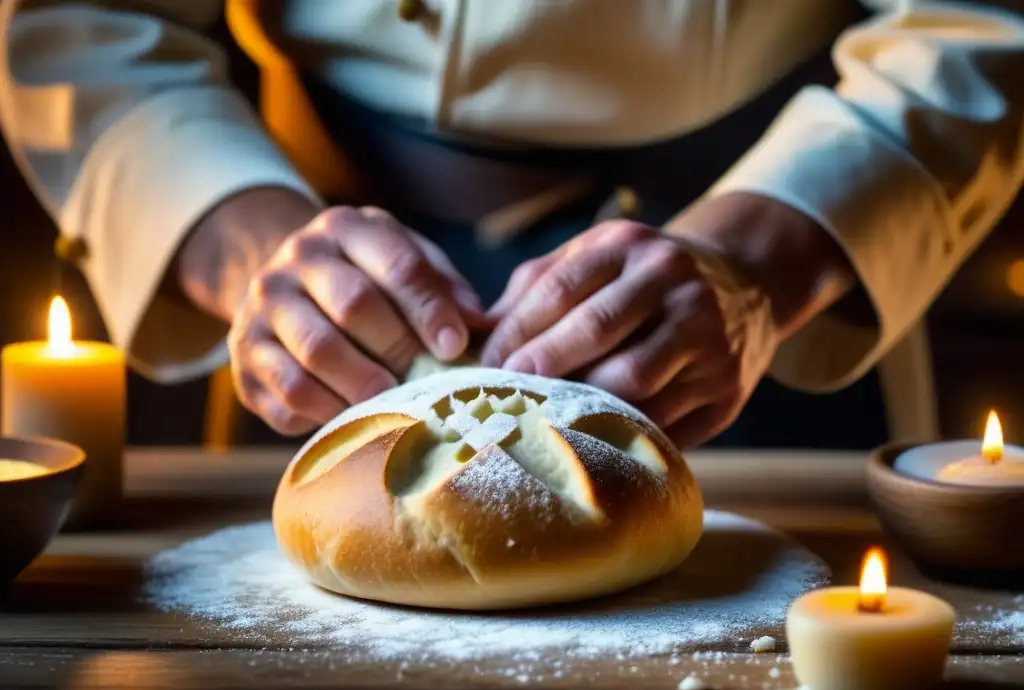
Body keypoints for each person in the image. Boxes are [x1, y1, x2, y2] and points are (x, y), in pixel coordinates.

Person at [1, 0, 1021, 448]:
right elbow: (88, 27)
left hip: (764, 296)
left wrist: (755, 269)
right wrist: (251, 249)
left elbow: (976, 23)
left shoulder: (759, 279)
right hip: (328, 311)